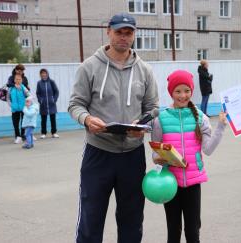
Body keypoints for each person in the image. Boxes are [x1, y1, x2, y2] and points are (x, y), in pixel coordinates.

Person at [68, 12, 159, 243]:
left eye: (128, 33)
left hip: (132, 155)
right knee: (91, 215)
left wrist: (144, 124)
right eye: (119, 32)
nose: (123, 37)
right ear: (108, 31)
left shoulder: (145, 70)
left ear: (134, 35)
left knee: (132, 217)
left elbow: (153, 107)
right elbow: (76, 104)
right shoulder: (89, 67)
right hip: (98, 153)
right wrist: (87, 120)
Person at [151, 70, 227, 243]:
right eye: (178, 91)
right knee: (173, 230)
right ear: (171, 93)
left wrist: (221, 127)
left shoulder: (200, 117)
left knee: (193, 231)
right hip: (170, 184)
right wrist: (158, 158)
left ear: (191, 91)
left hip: (193, 183)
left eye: (186, 90)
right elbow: (155, 152)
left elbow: (208, 149)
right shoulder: (160, 120)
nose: (183, 95)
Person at [36, 68, 60, 139]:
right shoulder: (39, 83)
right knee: (43, 119)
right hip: (43, 104)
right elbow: (38, 93)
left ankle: (54, 132)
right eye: (42, 73)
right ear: (40, 75)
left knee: (53, 118)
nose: (43, 74)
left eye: (45, 73)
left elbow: (56, 92)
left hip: (51, 104)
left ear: (47, 74)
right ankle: (43, 133)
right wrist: (40, 100)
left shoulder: (52, 82)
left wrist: (54, 100)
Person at [7, 74, 31, 144]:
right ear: (14, 80)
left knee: (23, 123)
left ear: (21, 80)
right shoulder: (11, 88)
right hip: (14, 109)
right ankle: (18, 137)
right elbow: (8, 98)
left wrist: (27, 102)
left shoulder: (23, 87)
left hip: (23, 108)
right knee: (15, 124)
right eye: (16, 79)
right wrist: (11, 105)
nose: (18, 80)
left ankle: (23, 135)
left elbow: (29, 95)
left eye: (19, 79)